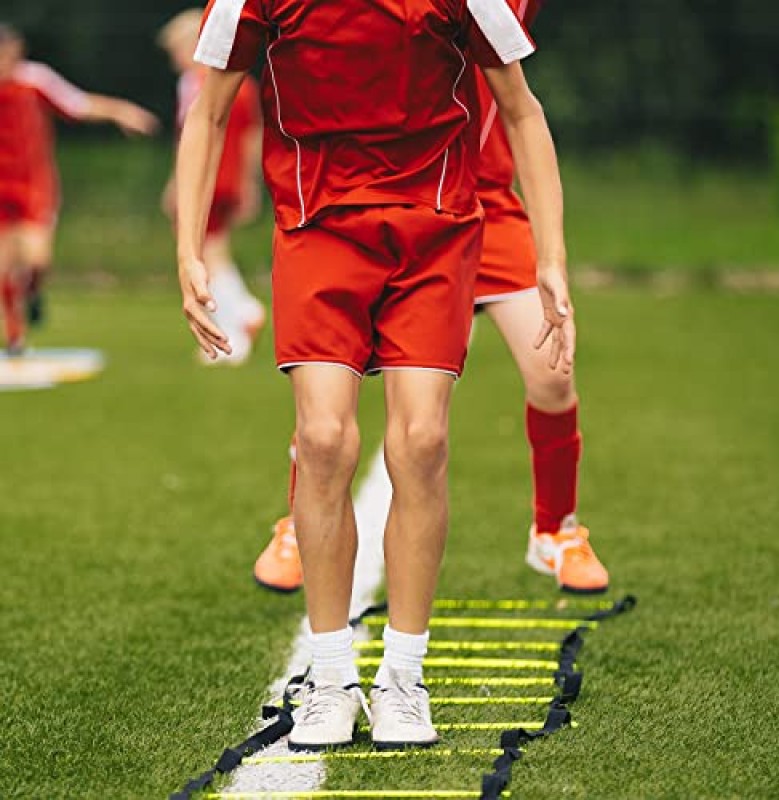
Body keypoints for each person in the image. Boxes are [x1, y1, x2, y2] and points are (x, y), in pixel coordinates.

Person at [178, 0, 574, 751]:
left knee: (420, 441)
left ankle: (402, 678)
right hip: (316, 227)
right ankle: (331, 681)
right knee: (323, 440)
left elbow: (521, 112)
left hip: (434, 229)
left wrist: (550, 256)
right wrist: (189, 250)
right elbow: (208, 113)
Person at [254, 0, 609, 596]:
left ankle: (556, 530)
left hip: (486, 204)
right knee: (333, 396)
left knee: (553, 374)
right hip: (404, 201)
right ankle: (298, 521)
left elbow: (523, 112)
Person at [0, 23, 158, 354]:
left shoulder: (34, 80)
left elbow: (78, 104)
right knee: (3, 267)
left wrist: (120, 111)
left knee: (35, 259)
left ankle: (33, 292)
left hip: (33, 186)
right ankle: (16, 337)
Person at [159, 10, 265, 365]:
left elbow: (190, 136)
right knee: (217, 250)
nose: (174, 57)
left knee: (201, 254)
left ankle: (235, 325)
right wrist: (250, 182)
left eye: (176, 48)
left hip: (206, 178)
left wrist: (177, 184)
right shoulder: (244, 83)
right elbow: (253, 135)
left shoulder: (195, 84)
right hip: (231, 177)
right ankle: (242, 311)